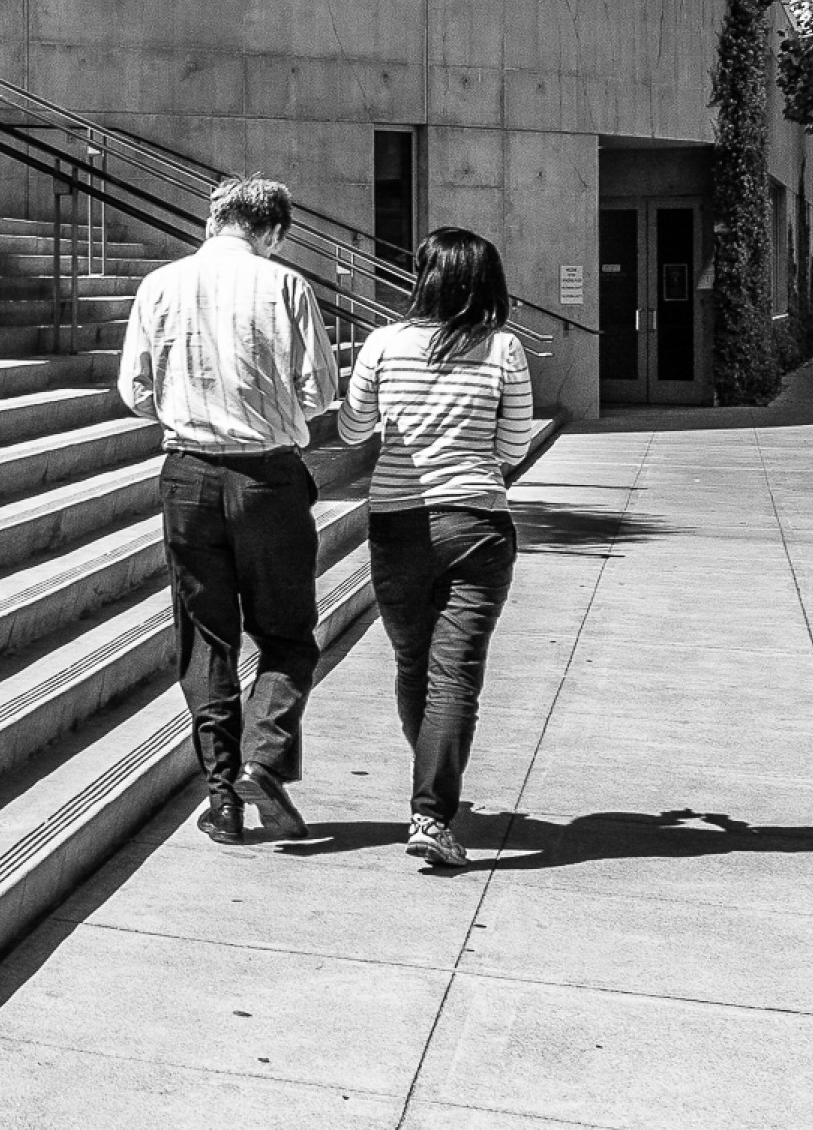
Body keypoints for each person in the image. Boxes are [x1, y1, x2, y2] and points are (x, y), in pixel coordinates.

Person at [118, 174, 340, 844]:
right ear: (272, 230)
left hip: (186, 475)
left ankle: (222, 800)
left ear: (214, 220)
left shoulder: (159, 285)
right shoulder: (283, 285)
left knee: (205, 638)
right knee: (286, 633)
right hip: (266, 476)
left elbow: (134, 389)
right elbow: (321, 391)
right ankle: (263, 761)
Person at [343, 226, 535, 875]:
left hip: (396, 524)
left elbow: (350, 428)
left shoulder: (381, 345)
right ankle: (431, 811)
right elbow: (513, 449)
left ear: (423, 277)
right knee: (455, 675)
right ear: (485, 282)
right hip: (477, 524)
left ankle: (430, 783)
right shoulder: (503, 349)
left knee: (411, 664)